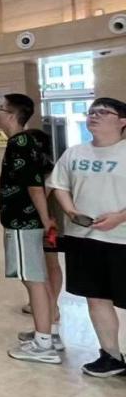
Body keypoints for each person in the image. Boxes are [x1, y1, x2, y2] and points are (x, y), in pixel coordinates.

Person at [49, 97, 126, 377]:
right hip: (83, 237)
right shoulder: (75, 152)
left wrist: (120, 217)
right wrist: (70, 211)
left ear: (122, 121)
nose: (94, 115)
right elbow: (59, 185)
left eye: (103, 112)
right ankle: (111, 356)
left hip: (121, 239)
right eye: (92, 111)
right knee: (96, 297)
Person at [0, 93, 60, 365]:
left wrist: (45, 219)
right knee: (38, 278)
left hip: (23, 221)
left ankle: (43, 344)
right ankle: (50, 332)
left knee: (33, 279)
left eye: (0, 108)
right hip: (24, 220)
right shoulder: (27, 141)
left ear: (11, 115)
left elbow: (35, 185)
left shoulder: (19, 143)